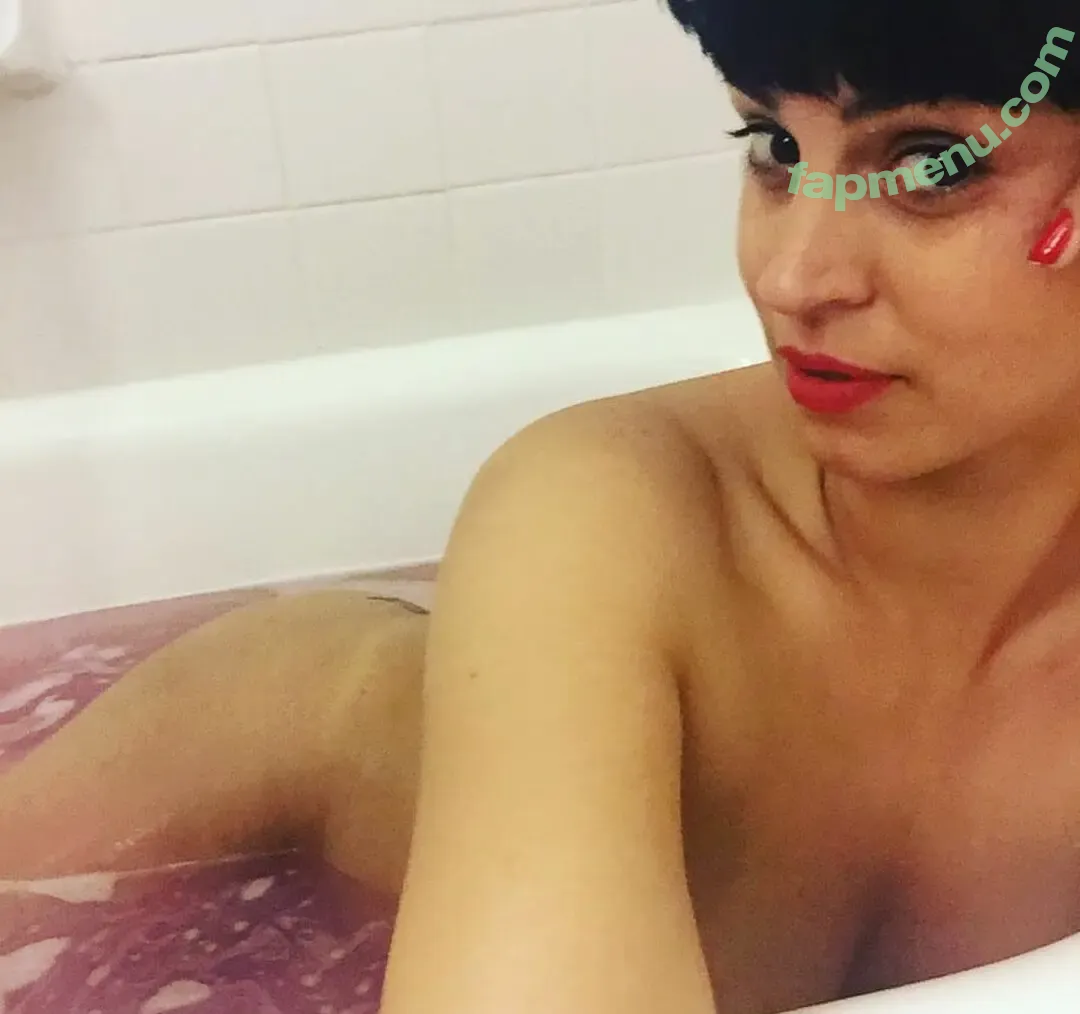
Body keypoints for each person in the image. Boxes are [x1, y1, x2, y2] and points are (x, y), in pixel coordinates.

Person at [4, 1, 1080, 1011]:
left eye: (933, 167)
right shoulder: (610, 511)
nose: (793, 277)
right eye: (773, 149)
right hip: (289, 723)